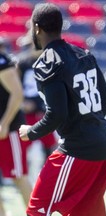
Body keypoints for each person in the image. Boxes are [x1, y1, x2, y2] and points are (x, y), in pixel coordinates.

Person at [19, 3, 106, 216]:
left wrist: (31, 132)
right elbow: (105, 101)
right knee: (85, 213)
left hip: (78, 149)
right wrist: (89, 125)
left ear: (36, 28)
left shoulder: (48, 62)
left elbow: (57, 114)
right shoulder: (83, 53)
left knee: (37, 211)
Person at [0, 39, 32, 215]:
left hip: (8, 130)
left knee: (19, 176)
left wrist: (4, 123)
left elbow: (17, 93)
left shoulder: (2, 61)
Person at [17, 41, 57, 161]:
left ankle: (49, 172)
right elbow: (16, 87)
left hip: (44, 112)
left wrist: (40, 105)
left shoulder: (50, 64)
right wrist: (22, 103)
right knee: (21, 147)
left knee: (50, 146)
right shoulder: (23, 64)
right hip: (26, 113)